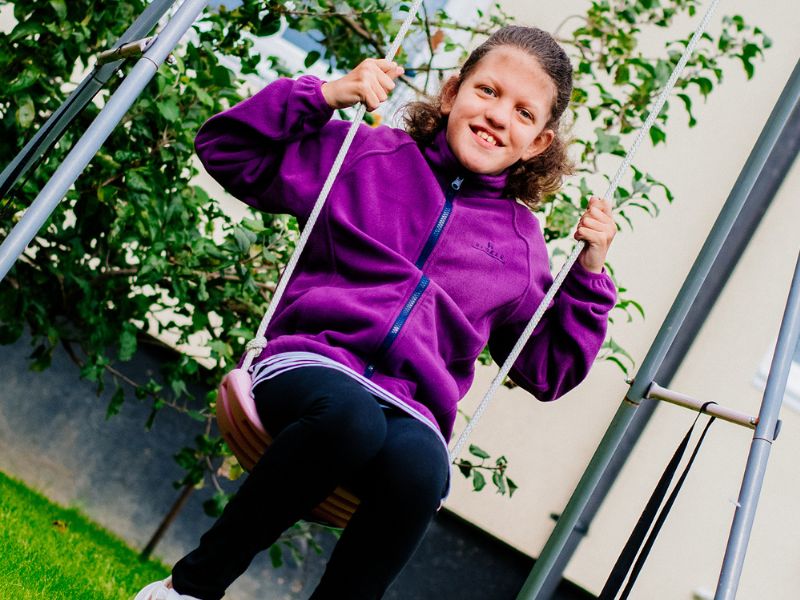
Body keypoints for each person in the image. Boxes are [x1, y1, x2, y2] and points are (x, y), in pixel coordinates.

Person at [136, 25, 617, 600]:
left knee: (422, 473)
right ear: (451, 94)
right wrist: (322, 97)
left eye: (522, 112)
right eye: (486, 91)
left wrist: (589, 277)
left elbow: (547, 371)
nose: (496, 116)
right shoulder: (363, 155)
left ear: (538, 142)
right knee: (348, 418)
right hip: (309, 365)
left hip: (410, 407)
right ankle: (191, 588)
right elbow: (227, 149)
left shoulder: (521, 247)